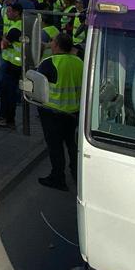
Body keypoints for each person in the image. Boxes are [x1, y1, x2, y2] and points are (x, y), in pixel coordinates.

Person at [37, 33, 83, 190]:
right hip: (75, 113)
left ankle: (58, 178)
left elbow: (36, 85)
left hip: (53, 114)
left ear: (56, 45)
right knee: (73, 146)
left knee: (55, 147)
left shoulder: (49, 63)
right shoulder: (80, 62)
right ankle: (77, 176)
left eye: (52, 42)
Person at [0, 22, 23, 130]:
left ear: (17, 12)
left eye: (11, 11)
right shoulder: (23, 24)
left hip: (12, 65)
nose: (8, 13)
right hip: (18, 65)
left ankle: (3, 118)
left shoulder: (15, 29)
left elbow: (3, 45)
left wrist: (4, 37)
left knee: (6, 93)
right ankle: (9, 120)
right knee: (11, 93)